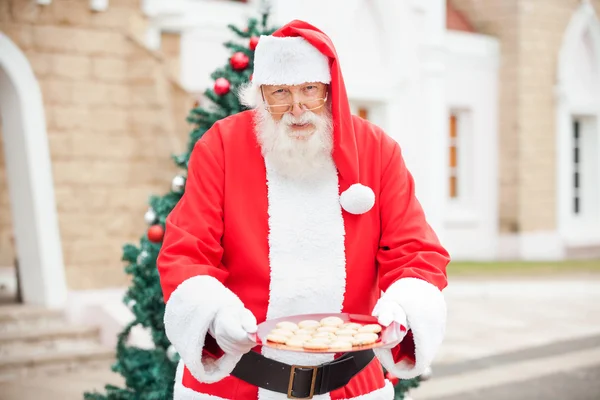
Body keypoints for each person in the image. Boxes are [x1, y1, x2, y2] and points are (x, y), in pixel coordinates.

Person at [157, 19, 449, 400]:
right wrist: (214, 314)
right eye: (280, 92)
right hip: (238, 384)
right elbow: (186, 250)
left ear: (329, 90)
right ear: (260, 94)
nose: (297, 108)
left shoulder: (377, 150)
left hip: (348, 385)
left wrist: (403, 307)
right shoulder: (222, 146)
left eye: (309, 89)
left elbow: (416, 250)